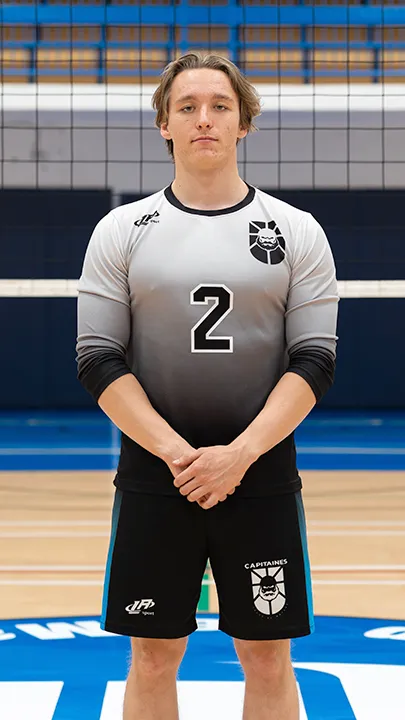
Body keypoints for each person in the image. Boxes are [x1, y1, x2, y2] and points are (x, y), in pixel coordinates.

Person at [76, 52, 339, 720]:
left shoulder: (295, 230)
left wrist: (238, 456)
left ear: (242, 123)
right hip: (154, 475)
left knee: (266, 654)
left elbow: (313, 360)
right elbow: (98, 359)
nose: (203, 120)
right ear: (163, 123)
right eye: (186, 106)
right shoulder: (121, 231)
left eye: (219, 106)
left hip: (261, 475)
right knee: (153, 654)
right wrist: (179, 456)